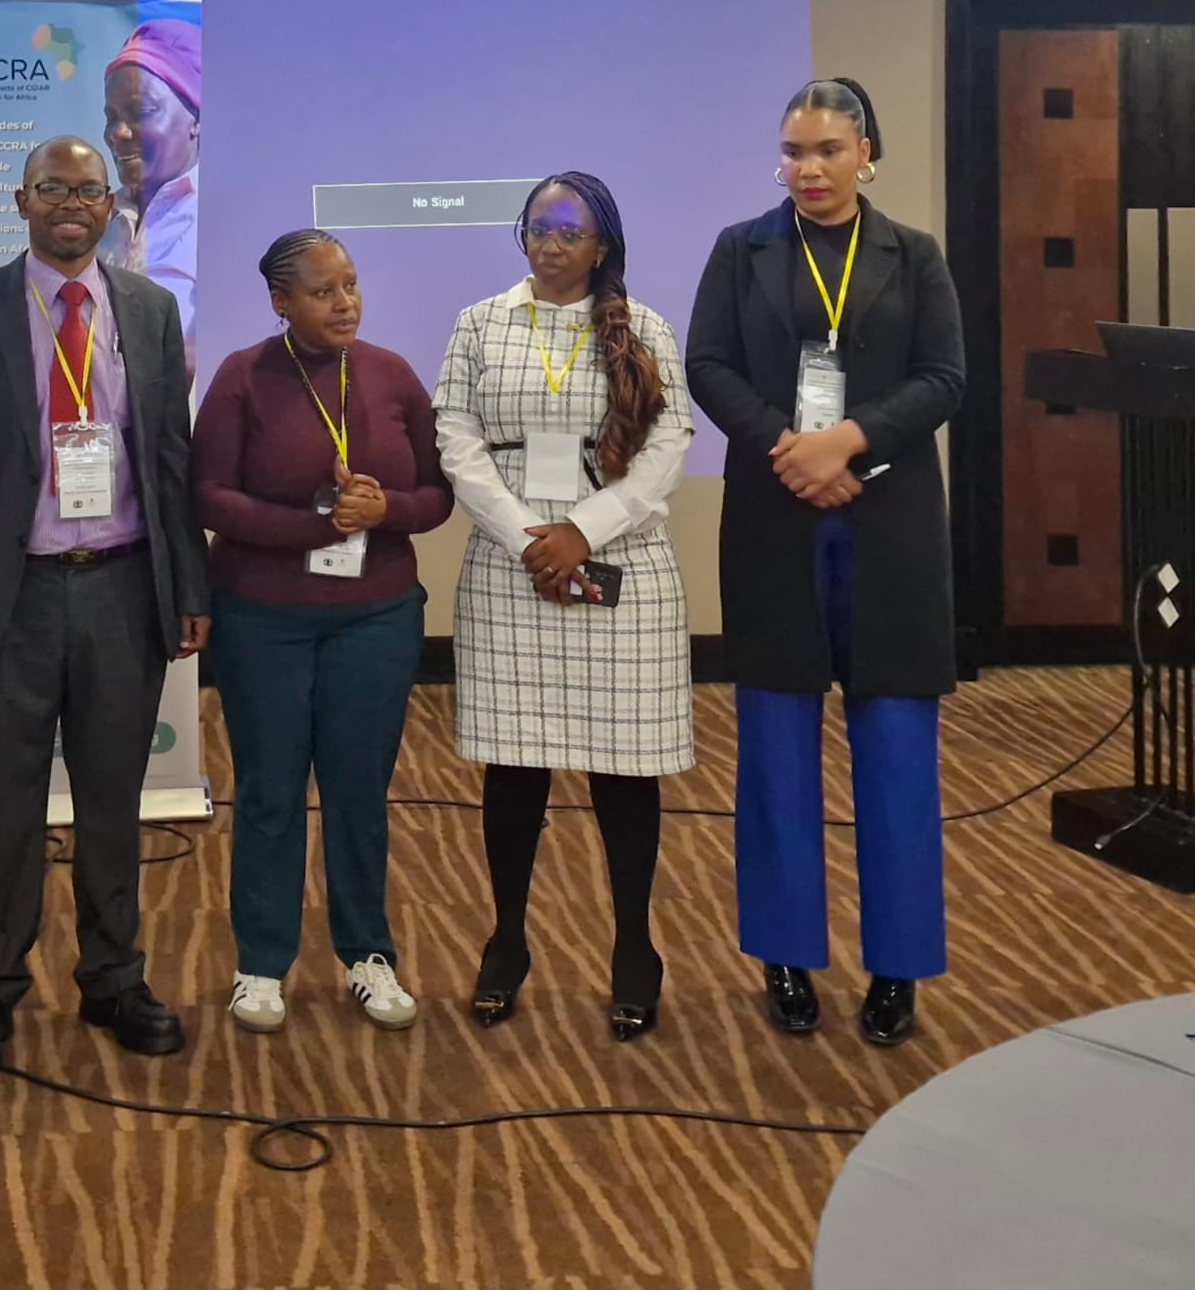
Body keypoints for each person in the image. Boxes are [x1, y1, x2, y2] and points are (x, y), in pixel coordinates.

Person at [0, 135, 212, 1072]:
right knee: (4, 805)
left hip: (122, 588)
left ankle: (115, 978)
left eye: (88, 190)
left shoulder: (150, 310)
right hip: (11, 599)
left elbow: (170, 459)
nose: (71, 204)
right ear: (21, 201)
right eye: (53, 188)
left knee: (113, 800)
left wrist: (189, 585)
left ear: (112, 204)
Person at [686, 80, 964, 1047]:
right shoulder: (742, 249)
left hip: (888, 524)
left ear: (866, 155)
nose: (807, 168)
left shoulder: (914, 255)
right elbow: (709, 366)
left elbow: (943, 377)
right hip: (776, 517)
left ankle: (897, 967)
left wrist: (847, 443)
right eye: (794, 151)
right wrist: (790, 450)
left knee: (896, 751)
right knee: (774, 747)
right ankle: (786, 956)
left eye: (828, 150)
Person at [433, 172, 695, 1041]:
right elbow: (456, 439)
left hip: (620, 563)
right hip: (512, 568)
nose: (549, 244)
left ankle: (635, 948)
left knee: (625, 771)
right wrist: (527, 539)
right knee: (514, 768)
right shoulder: (480, 323)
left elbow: (668, 445)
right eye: (537, 228)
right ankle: (507, 940)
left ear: (601, 244)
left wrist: (583, 531)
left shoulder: (646, 327)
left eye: (568, 231)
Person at [192, 231, 452, 1035]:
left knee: (357, 791)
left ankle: (367, 955)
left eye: (351, 285)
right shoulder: (242, 376)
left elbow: (437, 493)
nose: (345, 303)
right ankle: (261, 962)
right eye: (322, 291)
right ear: (280, 302)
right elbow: (209, 495)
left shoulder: (391, 373)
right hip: (262, 619)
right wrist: (314, 526)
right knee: (270, 791)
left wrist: (386, 509)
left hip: (375, 617)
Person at [100, 19, 201, 355]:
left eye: (140, 111)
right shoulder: (101, 218)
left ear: (197, 119)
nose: (117, 133)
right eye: (111, 117)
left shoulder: (223, 219)